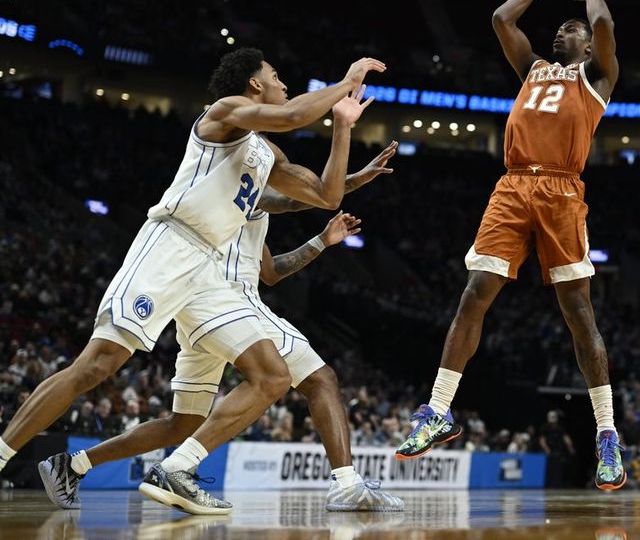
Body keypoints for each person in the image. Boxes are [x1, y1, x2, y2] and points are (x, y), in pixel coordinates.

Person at [0, 47, 384, 514]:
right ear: (255, 84)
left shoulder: (267, 153)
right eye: (277, 75)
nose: (284, 82)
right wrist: (346, 81)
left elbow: (326, 194)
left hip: (208, 272)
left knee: (268, 378)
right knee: (96, 365)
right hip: (171, 245)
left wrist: (342, 127)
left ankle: (152, 468)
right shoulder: (223, 113)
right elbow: (290, 114)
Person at [38, 147, 404, 513]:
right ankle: (184, 469)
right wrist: (352, 180)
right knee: (304, 378)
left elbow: (271, 272)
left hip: (218, 308)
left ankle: (73, 465)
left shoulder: (244, 207)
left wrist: (322, 241)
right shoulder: (234, 184)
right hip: (221, 299)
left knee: (182, 424)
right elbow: (295, 202)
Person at [394, 0, 624, 490]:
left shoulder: (597, 78)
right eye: (562, 28)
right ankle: (438, 410)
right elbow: (501, 18)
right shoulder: (534, 70)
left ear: (588, 46)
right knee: (474, 293)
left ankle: (607, 434)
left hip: (562, 191)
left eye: (574, 29)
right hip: (513, 186)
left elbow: (606, 24)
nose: (564, 30)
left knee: (578, 314)